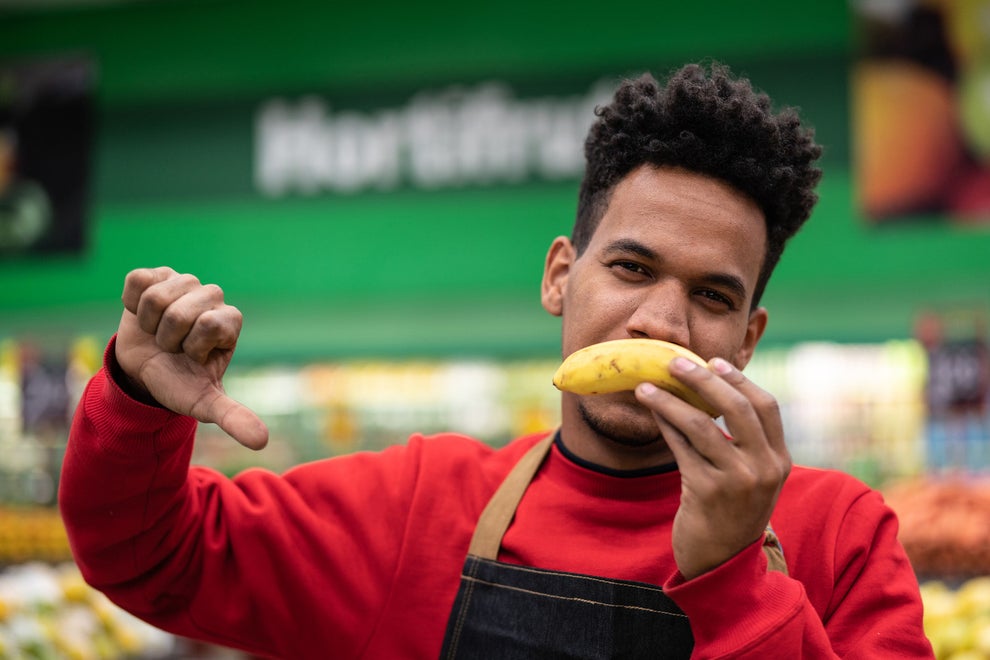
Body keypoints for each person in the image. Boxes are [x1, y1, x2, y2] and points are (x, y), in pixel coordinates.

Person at [59, 62, 934, 658]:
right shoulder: (418, 504)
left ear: (748, 337)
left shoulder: (839, 534)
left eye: (713, 297)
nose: (663, 322)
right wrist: (139, 403)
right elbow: (150, 558)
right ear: (561, 277)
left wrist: (736, 578)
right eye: (631, 268)